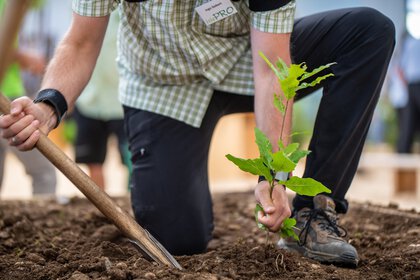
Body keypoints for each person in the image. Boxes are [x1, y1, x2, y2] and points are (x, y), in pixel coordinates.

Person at [0, 1, 395, 267]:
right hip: (162, 84)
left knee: (368, 31)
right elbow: (81, 41)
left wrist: (273, 174)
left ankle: (315, 214)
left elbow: (272, 68)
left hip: (246, 59)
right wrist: (48, 105)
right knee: (178, 237)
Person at [0, 0, 57, 199]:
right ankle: (46, 227)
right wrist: (22, 57)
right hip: (7, 100)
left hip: (10, 95)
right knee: (44, 174)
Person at [72, 12, 132, 191]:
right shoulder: (79, 8)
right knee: (93, 160)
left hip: (123, 100)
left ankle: (133, 205)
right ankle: (102, 208)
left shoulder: (124, 11)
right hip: (89, 100)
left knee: (134, 160)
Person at [392, 33, 420, 153]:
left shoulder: (409, 44)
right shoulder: (412, 44)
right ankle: (403, 153)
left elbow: (400, 69)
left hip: (410, 85)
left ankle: (403, 153)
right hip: (413, 84)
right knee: (408, 122)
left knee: (408, 122)